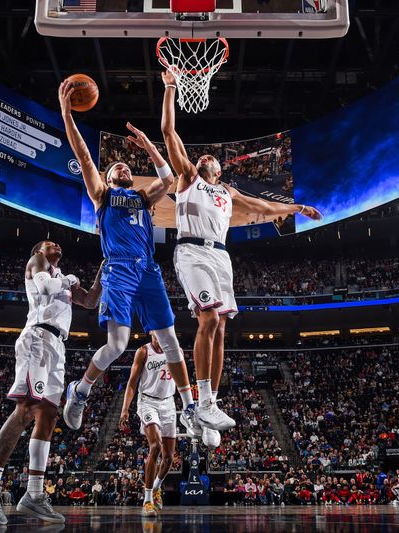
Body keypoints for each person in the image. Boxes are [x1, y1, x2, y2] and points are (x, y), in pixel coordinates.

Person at [160, 70, 322, 446]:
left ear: (220, 170)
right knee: (207, 318)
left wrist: (294, 207)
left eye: (212, 158)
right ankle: (200, 400)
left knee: (220, 327)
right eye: (203, 156)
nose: (207, 156)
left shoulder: (228, 192)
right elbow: (169, 133)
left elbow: (263, 205)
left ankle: (210, 403)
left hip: (221, 257)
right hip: (192, 250)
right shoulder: (188, 178)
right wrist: (170, 87)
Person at [57, 80, 200, 438]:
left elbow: (168, 177)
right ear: (108, 177)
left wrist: (149, 145)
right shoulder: (102, 195)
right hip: (118, 269)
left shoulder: (143, 196)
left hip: (148, 269)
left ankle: (191, 410)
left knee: (170, 341)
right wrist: (66, 114)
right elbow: (85, 157)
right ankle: (81, 390)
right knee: (118, 345)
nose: (122, 167)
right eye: (116, 166)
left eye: (125, 166)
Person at [0, 240, 102, 525]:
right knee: (27, 409)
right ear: (39, 249)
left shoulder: (63, 276)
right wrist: (68, 280)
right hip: (37, 339)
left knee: (48, 417)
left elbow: (90, 301)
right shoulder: (39, 262)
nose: (56, 245)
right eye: (49, 242)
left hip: (57, 344)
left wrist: (104, 269)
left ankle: (34, 494)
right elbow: (44, 288)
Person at [119, 333, 179, 517]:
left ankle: (156, 488)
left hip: (169, 403)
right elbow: (131, 383)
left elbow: (183, 379)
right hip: (147, 402)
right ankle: (147, 501)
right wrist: (125, 410)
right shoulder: (143, 351)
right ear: (151, 331)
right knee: (155, 446)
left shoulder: (175, 350)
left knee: (169, 459)